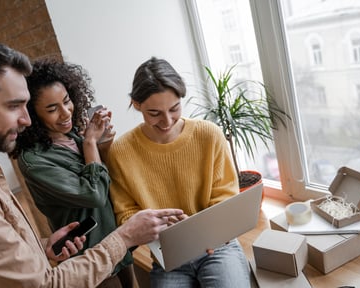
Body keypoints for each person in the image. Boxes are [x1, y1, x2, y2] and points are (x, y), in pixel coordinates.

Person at [0, 38, 183, 288]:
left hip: (108, 252)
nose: (26, 120)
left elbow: (5, 254)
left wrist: (43, 246)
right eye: (13, 106)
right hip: (92, 262)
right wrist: (126, 235)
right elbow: (43, 284)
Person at [107, 57, 252, 288]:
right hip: (169, 256)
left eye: (174, 108)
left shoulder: (209, 135)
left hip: (217, 246)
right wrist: (160, 227)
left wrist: (198, 229)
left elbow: (226, 197)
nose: (167, 121)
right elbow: (125, 213)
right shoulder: (121, 151)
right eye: (154, 113)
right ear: (136, 104)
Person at [10, 58, 134, 287]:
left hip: (117, 241)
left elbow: (109, 180)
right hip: (91, 258)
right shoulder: (35, 161)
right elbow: (94, 195)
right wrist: (90, 143)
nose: (66, 113)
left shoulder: (74, 135)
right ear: (33, 115)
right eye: (52, 109)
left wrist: (102, 144)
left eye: (66, 101)